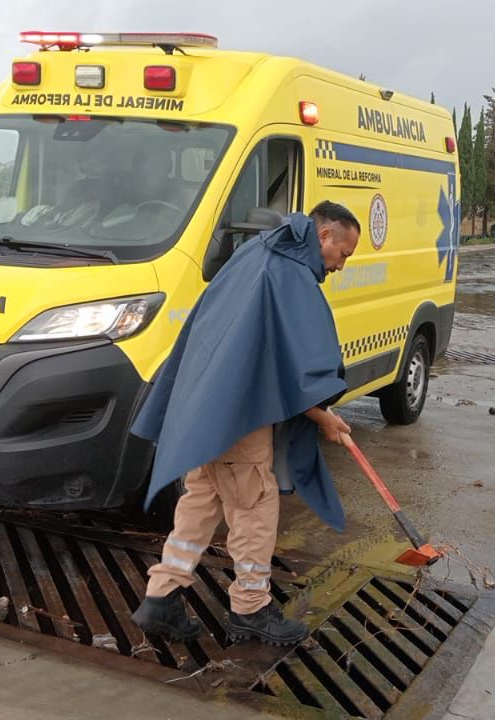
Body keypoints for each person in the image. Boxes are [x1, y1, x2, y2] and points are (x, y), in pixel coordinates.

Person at [130, 200, 361, 646]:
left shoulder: (257, 252)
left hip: (205, 404)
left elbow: (260, 347)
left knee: (203, 497)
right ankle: (251, 609)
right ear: (325, 236)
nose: (340, 265)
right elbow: (294, 362)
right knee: (254, 504)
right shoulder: (290, 274)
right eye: (343, 254)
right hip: (237, 411)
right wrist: (322, 413)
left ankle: (162, 595)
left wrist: (318, 414)